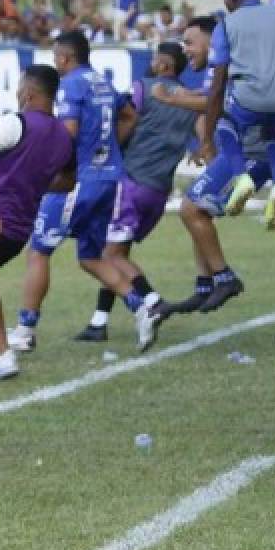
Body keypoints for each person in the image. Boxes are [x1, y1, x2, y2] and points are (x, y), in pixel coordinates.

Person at [181, 0, 275, 312]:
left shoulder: (229, 30)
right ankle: (206, 282)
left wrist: (205, 134)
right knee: (200, 208)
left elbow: (215, 93)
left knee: (192, 206)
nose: (187, 50)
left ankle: (223, 278)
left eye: (190, 42)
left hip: (247, 145)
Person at [7, 31, 136, 351]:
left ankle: (24, 330)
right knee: (91, 256)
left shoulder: (71, 85)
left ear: (64, 58)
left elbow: (68, 134)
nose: (55, 64)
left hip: (79, 181)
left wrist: (51, 168)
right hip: (108, 178)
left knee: (38, 249)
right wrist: (108, 149)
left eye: (55, 58)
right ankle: (144, 306)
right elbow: (130, 114)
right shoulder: (102, 82)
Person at [77, 42, 200, 349]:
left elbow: (125, 117)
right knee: (117, 253)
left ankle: (152, 301)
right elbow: (200, 136)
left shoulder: (143, 87)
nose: (151, 64)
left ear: (165, 65)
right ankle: (99, 321)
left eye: (155, 60)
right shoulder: (190, 101)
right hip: (158, 192)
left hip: (130, 182)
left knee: (107, 255)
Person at [0, 66, 74, 382]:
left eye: (18, 88)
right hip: (18, 230)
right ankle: (1, 354)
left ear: (28, 93)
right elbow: (67, 182)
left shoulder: (16, 122)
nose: (16, 94)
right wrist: (31, 184)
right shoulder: (64, 136)